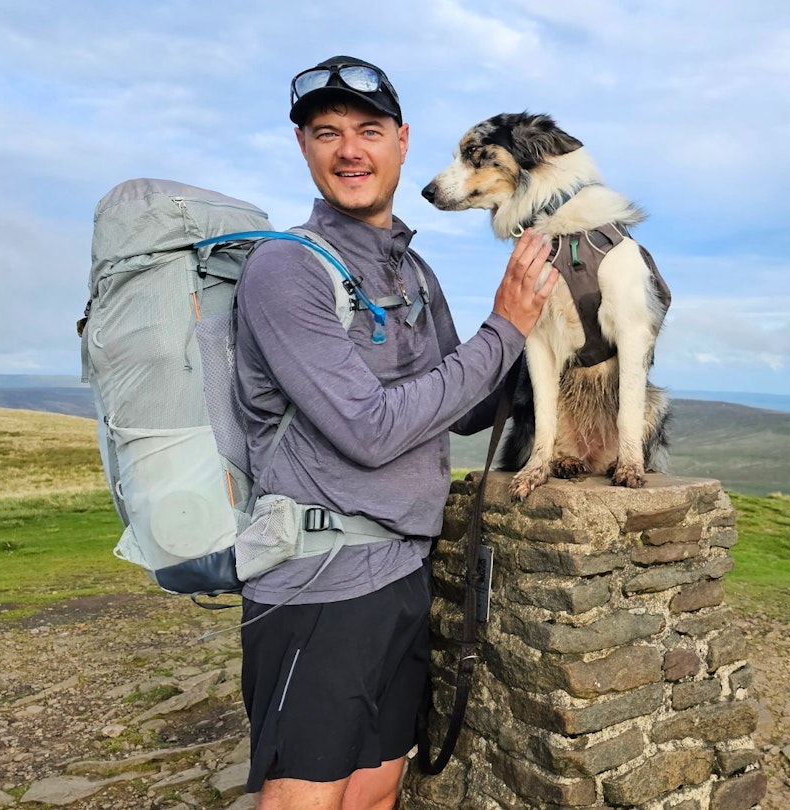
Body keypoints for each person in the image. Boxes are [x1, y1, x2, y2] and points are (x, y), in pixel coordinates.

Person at [232, 55, 556, 810]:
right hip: (319, 580)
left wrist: (555, 343)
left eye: (369, 130)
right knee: (303, 798)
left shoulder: (415, 275)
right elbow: (370, 431)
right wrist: (504, 328)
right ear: (304, 148)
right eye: (327, 132)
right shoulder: (287, 270)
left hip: (402, 576)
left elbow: (466, 406)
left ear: (402, 142)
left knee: (377, 790)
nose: (351, 150)